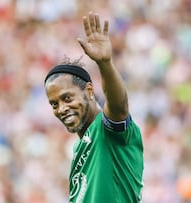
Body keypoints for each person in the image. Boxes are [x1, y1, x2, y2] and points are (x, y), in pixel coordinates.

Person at [44, 12, 144, 203]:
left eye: (67, 98)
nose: (61, 108)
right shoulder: (80, 150)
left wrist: (104, 64)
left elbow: (118, 106)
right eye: (54, 104)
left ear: (89, 91)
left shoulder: (107, 130)